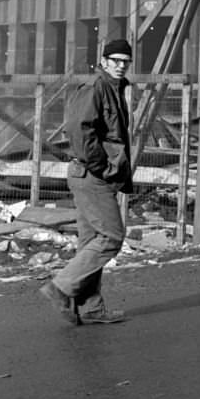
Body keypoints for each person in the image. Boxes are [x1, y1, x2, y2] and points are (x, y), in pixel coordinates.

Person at [40, 38, 135, 326]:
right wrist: (102, 166)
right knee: (112, 237)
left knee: (91, 241)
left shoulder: (113, 89)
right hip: (91, 174)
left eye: (125, 61)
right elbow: (79, 130)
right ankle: (61, 287)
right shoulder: (95, 88)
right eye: (115, 60)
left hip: (92, 174)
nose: (120, 65)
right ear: (103, 61)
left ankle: (90, 308)